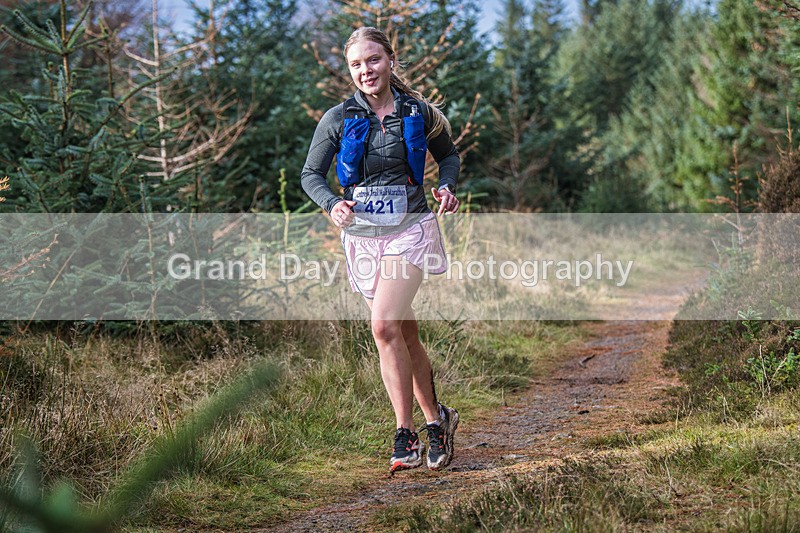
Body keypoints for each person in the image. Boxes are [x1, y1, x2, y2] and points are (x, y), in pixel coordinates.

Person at [300, 26, 461, 472]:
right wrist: (332, 204)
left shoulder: (419, 111)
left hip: (411, 229)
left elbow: (449, 156)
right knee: (404, 334)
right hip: (363, 237)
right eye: (356, 64)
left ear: (390, 59)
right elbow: (310, 175)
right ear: (350, 70)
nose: (365, 70)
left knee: (384, 326)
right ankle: (438, 421)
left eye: (373, 60)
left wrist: (447, 186)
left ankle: (404, 435)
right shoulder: (337, 118)